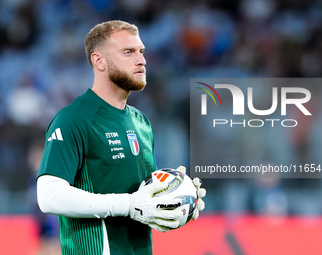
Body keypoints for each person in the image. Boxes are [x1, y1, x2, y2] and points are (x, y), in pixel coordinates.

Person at [37, 20, 205, 255]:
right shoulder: (73, 119)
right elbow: (49, 196)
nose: (142, 60)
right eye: (128, 52)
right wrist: (128, 205)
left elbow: (143, 204)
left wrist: (179, 199)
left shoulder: (142, 122)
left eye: (141, 52)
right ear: (99, 61)